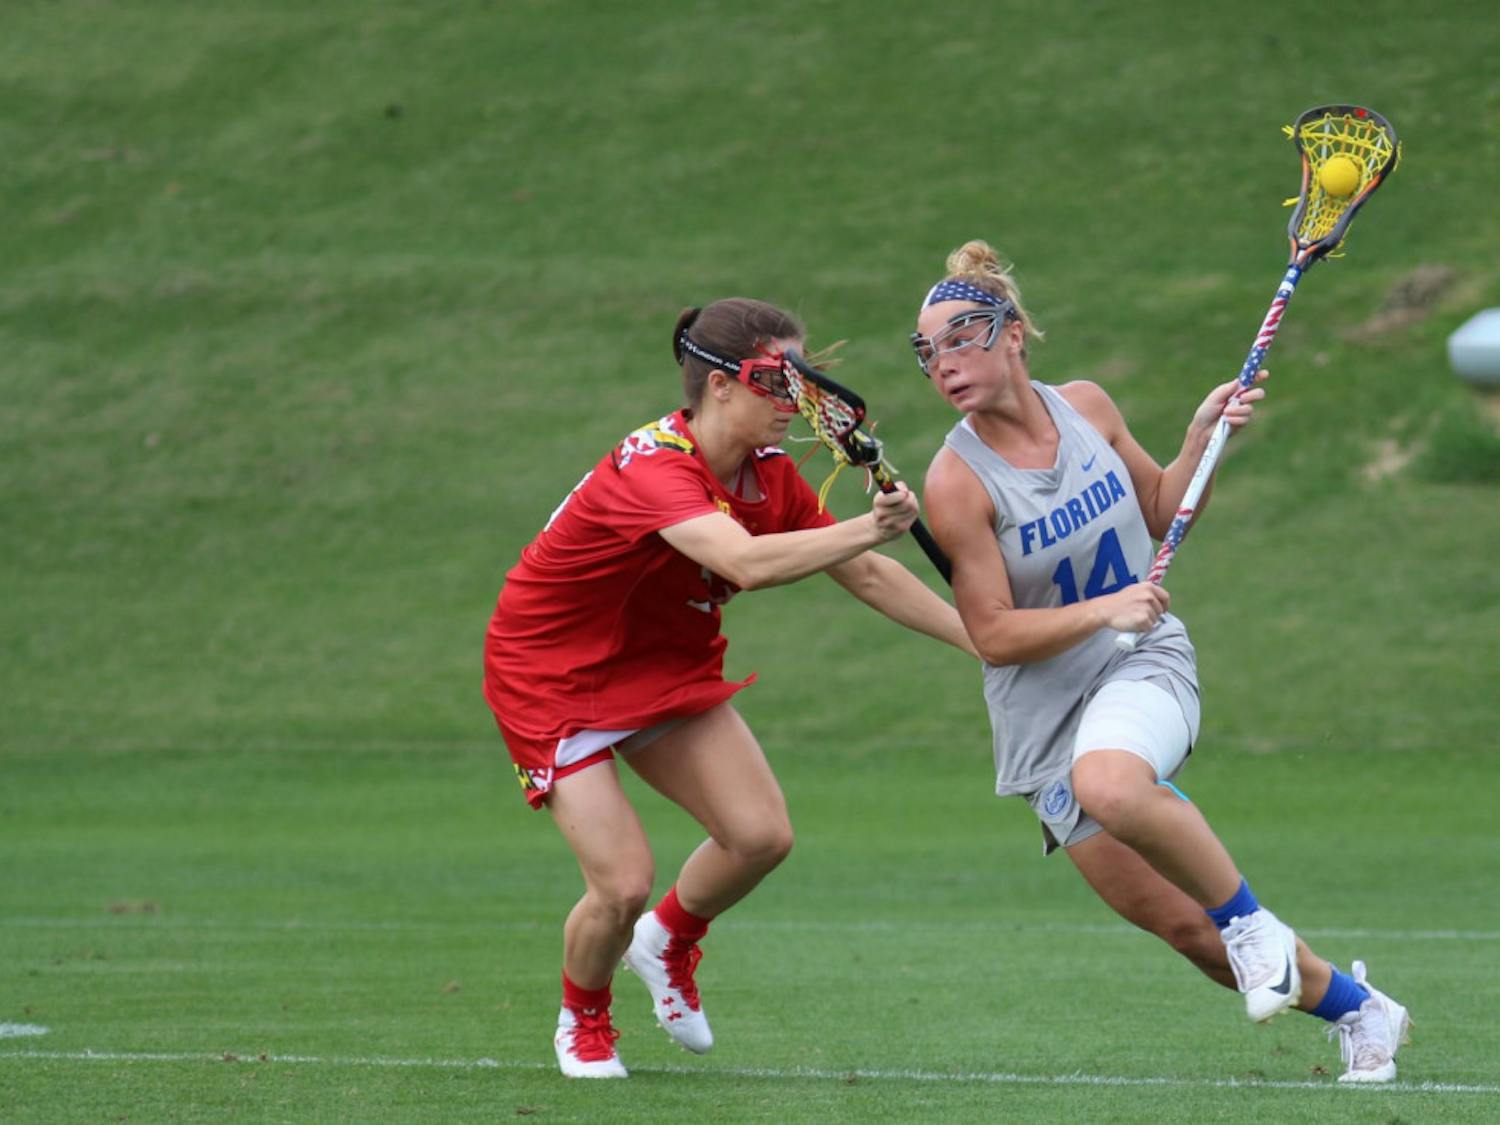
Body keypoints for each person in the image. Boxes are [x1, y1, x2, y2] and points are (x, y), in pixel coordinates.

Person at [914, 240, 1412, 1084]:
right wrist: (1103, 605)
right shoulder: (957, 481)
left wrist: (1198, 439)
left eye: (964, 334)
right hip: (1045, 717)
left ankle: (1253, 924)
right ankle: (1364, 1011)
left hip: (1142, 664)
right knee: (1191, 931)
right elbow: (993, 634)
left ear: (1015, 333)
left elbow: (1161, 506)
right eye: (928, 351)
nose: (946, 362)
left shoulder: (1088, 407)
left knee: (1116, 787)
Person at [483, 297, 975, 1079]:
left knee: (760, 836)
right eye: (777, 384)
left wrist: (987, 643)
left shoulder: (769, 477)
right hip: (554, 671)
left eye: (802, 383)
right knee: (621, 884)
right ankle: (585, 1017)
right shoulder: (653, 466)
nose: (797, 405)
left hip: (663, 661)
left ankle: (668, 940)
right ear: (719, 385)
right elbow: (744, 561)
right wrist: (867, 524)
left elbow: (868, 574)